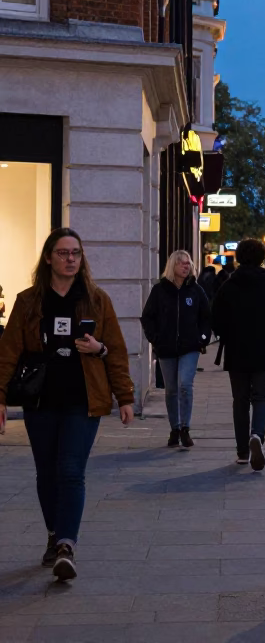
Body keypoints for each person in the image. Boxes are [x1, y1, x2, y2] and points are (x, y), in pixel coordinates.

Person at [0, 228, 134, 581]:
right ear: (48, 258)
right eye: (63, 253)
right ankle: (53, 533)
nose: (70, 259)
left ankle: (66, 546)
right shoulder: (28, 301)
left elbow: (115, 351)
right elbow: (8, 353)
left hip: (82, 400)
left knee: (71, 471)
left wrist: (125, 396)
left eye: (75, 253)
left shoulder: (96, 299)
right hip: (40, 400)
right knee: (47, 472)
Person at [212, 239, 265, 470]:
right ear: (261, 258)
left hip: (237, 351)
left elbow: (216, 317)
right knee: (261, 398)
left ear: (238, 257)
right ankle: (257, 434)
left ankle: (242, 451)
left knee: (240, 400)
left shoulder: (229, 285)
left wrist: (227, 335)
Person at [141, 250, 211, 448]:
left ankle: (186, 429)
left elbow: (206, 316)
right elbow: (147, 317)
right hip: (166, 348)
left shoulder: (195, 290)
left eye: (188, 263)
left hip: (190, 347)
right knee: (171, 389)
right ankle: (175, 428)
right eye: (181, 263)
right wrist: (155, 338)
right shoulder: (160, 290)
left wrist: (203, 338)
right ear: (173, 266)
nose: (186, 267)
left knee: (184, 385)